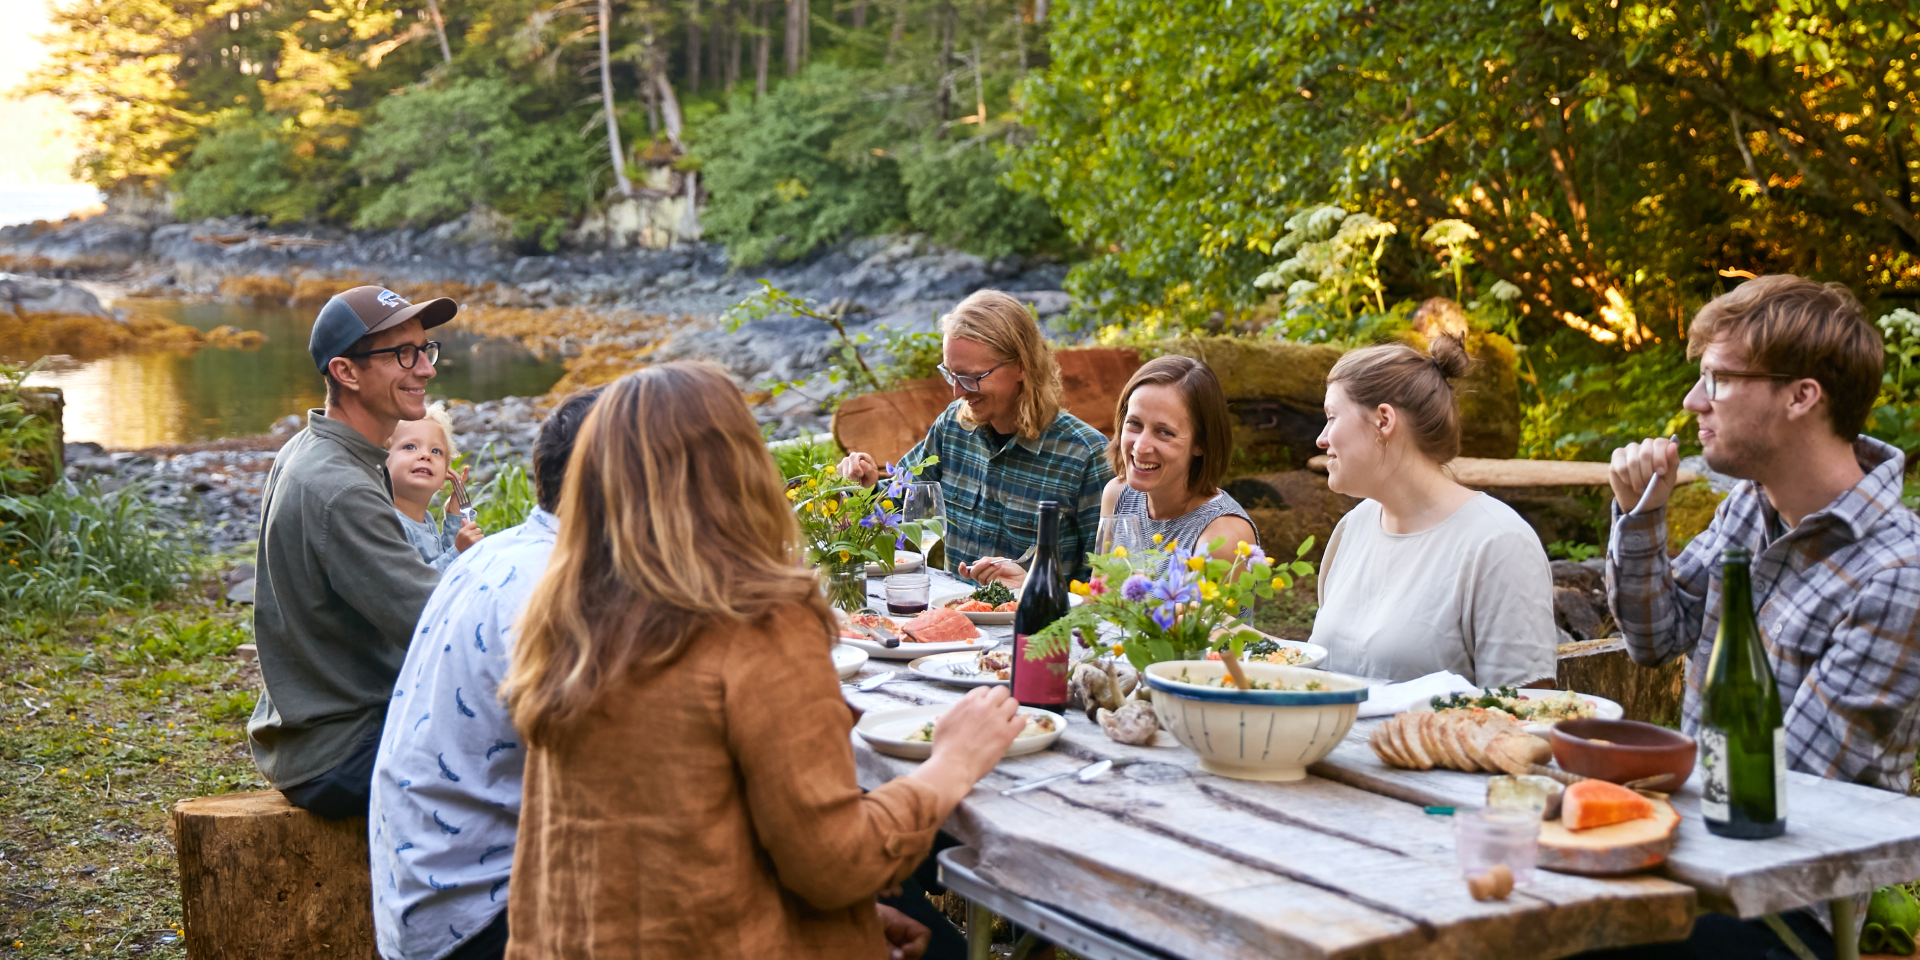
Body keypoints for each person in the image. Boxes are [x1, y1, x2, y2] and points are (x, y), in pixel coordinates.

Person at [502, 362, 1028, 960]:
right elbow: (838, 863)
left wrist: (829, 920)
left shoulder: (567, 616)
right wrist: (953, 762)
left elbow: (671, 833)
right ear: (741, 470)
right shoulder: (755, 622)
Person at [1608, 275, 1920, 793]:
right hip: (1709, 816)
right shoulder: (1749, 506)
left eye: (1718, 379)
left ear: (1800, 397)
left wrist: (1621, 778)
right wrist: (1639, 512)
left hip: (1793, 841)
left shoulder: (1898, 575)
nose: (1692, 401)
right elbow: (1655, 638)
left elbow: (1779, 783)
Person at [368, 388, 601, 960]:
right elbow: (601, 763)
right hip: (475, 912)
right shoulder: (553, 589)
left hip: (420, 884)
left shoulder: (506, 551)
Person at [250, 284, 457, 820]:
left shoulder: (318, 449)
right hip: (342, 748)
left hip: (324, 725)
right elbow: (438, 623)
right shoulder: (340, 488)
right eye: (403, 354)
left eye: (425, 349)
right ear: (346, 372)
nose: (426, 368)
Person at [1307, 335, 1556, 686]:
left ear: (1383, 420)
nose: (1321, 438)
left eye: (1332, 417)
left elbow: (1526, 707)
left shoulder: (1499, 543)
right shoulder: (1353, 527)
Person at [837, 290, 1113, 584]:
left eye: (972, 377)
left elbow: (1104, 587)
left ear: (1022, 366)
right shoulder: (952, 427)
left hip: (1038, 613)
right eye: (951, 374)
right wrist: (864, 487)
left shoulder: (1087, 455)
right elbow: (898, 503)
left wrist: (1034, 586)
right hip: (949, 608)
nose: (958, 392)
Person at [386, 403, 483, 572]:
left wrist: (455, 516)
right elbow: (415, 582)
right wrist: (457, 551)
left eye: (436, 451)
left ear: (443, 477)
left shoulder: (425, 520)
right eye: (410, 447)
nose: (426, 455)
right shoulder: (391, 525)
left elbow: (445, 565)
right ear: (381, 464)